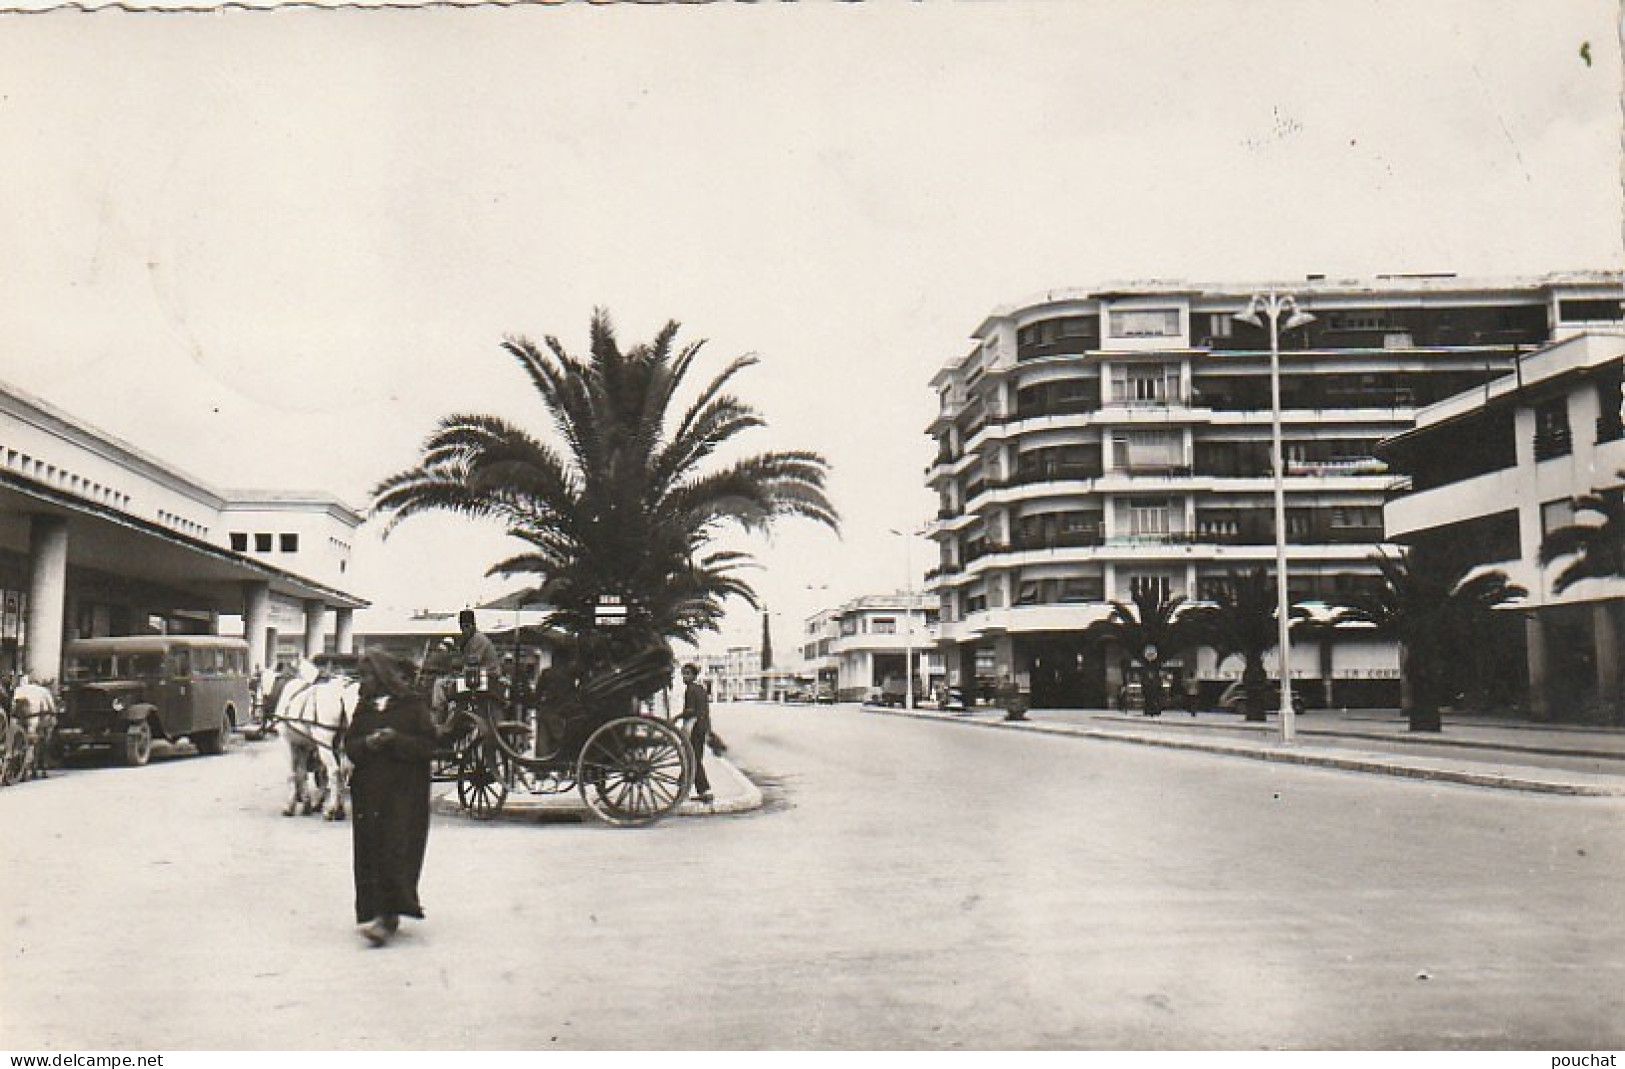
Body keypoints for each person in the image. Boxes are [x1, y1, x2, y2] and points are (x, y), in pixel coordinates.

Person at [344, 648, 436, 947]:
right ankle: (375, 913)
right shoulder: (364, 709)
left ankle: (388, 916)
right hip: (368, 796)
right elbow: (350, 746)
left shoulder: (412, 707)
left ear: (382, 677)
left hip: (402, 796)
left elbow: (427, 745)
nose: (362, 682)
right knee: (369, 852)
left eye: (367, 676)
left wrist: (396, 740)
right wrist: (367, 743)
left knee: (394, 851)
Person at [677, 663, 716, 805]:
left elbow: (690, 711)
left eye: (687, 673)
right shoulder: (701, 689)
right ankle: (686, 788)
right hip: (702, 727)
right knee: (694, 757)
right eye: (683, 673)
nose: (684, 676)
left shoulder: (690, 690)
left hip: (694, 728)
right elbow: (705, 711)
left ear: (694, 675)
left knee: (693, 759)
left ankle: (703, 790)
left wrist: (676, 718)